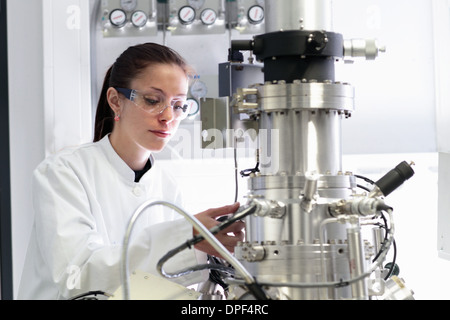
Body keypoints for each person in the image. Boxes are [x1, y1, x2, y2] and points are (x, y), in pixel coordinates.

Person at [17, 43, 244, 300]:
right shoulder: (63, 173)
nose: (168, 116)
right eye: (153, 100)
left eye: (179, 105)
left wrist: (205, 254)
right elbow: (78, 276)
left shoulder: (168, 187)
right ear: (115, 101)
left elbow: (155, 286)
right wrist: (185, 237)